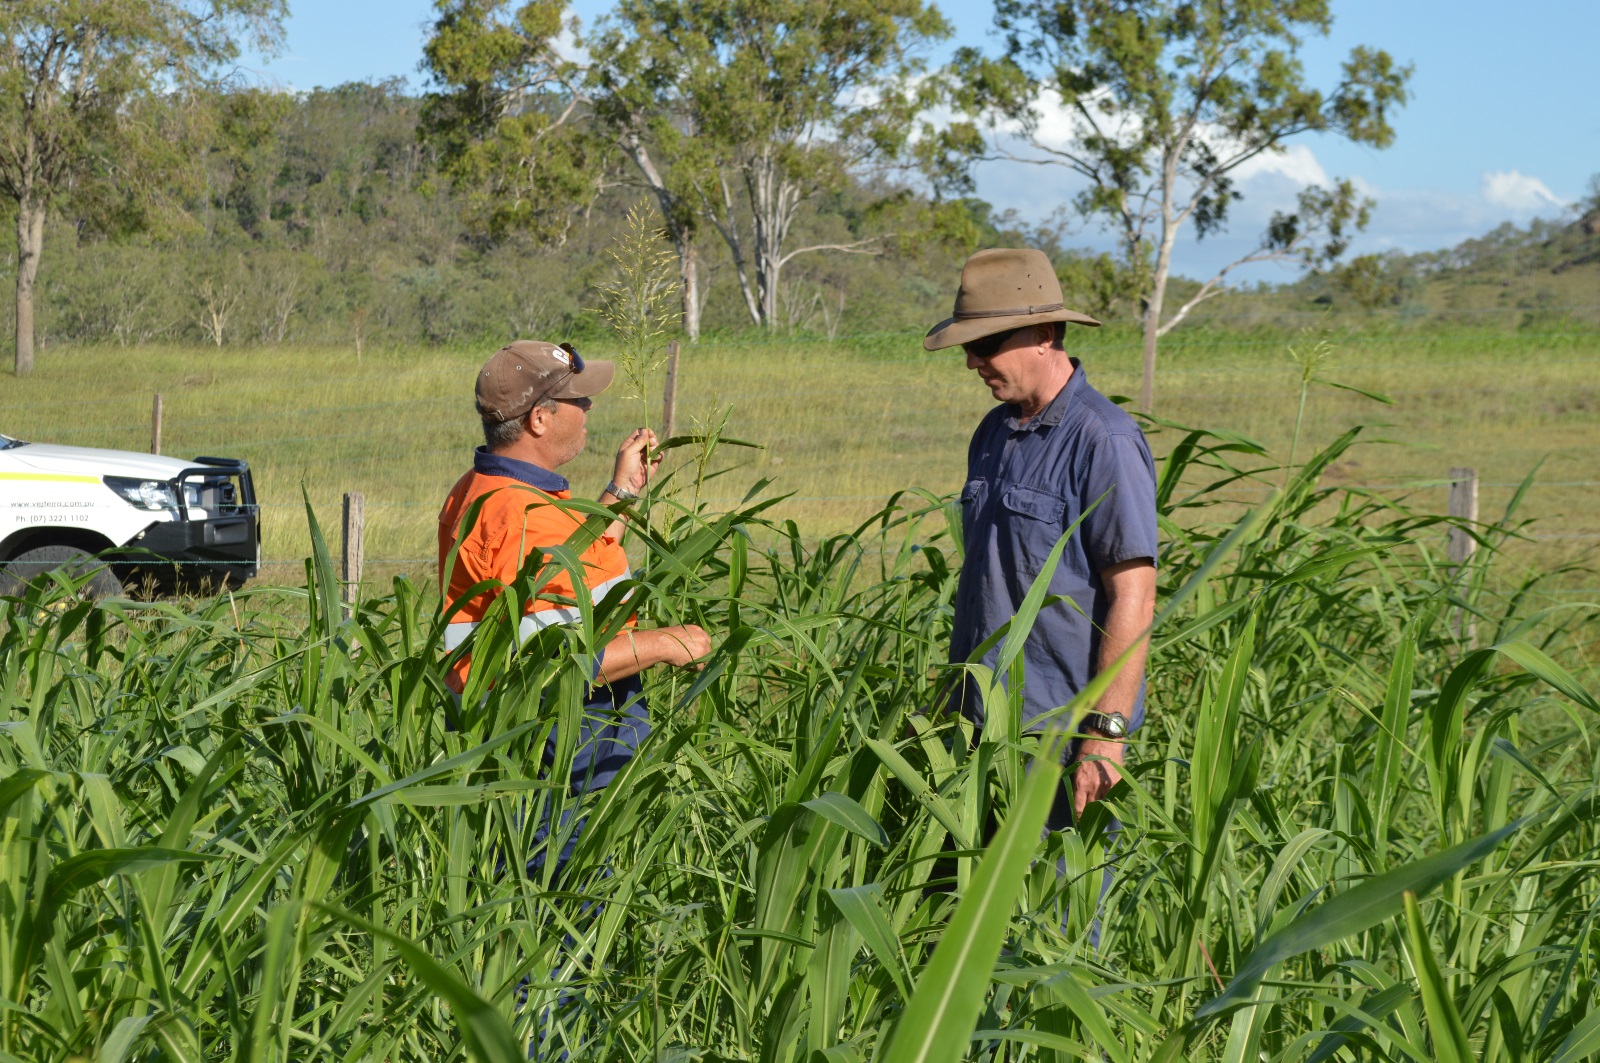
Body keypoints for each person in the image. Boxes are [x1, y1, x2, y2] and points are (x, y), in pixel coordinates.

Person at [925, 247, 1159, 828]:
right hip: (977, 723)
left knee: (1055, 914)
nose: (973, 362)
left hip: (1058, 733)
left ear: (1045, 334)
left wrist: (1106, 733)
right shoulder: (993, 432)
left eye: (986, 346)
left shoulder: (1104, 440)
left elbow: (1134, 595)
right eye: (967, 349)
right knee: (966, 907)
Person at [437, 339, 709, 811]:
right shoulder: (519, 515)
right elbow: (562, 657)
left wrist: (622, 489)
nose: (588, 408)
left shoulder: (492, 488)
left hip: (538, 732)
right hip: (556, 743)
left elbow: (574, 567)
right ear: (538, 419)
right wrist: (668, 642)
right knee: (559, 874)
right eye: (577, 400)